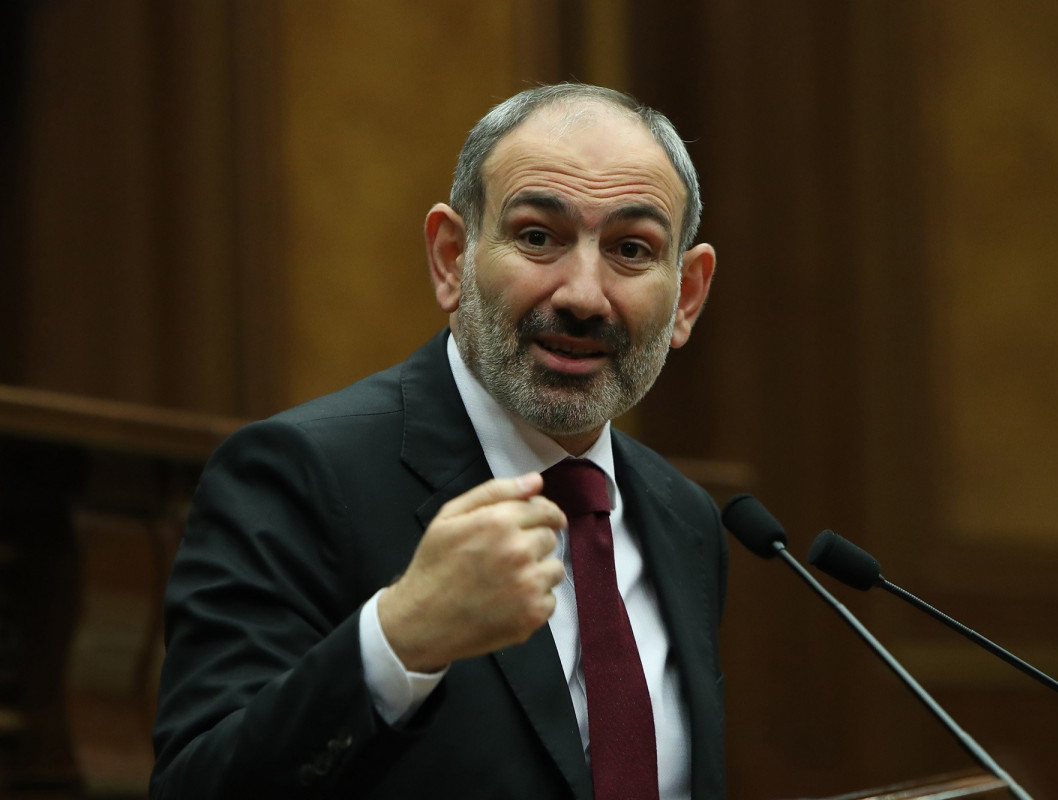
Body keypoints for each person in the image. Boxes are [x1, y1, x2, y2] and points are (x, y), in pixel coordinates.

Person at [150, 82, 726, 800]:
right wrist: (400, 640)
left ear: (687, 295)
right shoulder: (299, 474)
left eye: (631, 249)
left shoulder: (685, 519)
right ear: (452, 258)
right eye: (537, 237)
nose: (583, 295)